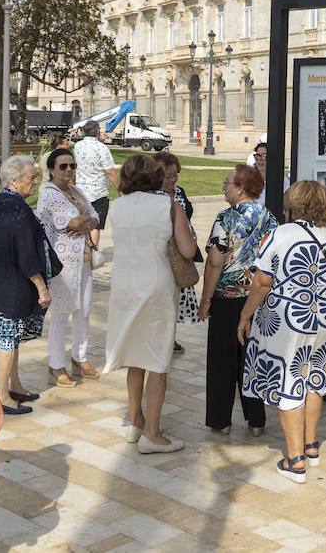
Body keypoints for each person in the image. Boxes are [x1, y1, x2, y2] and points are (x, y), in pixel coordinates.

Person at [238, 181, 326, 484]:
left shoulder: (280, 234)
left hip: (289, 320)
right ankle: (311, 446)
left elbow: (262, 282)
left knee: (288, 381)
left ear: (294, 204)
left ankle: (295, 459)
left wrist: (245, 315)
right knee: (314, 380)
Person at [104, 154, 198, 453]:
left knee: (135, 356)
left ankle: (135, 420)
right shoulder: (167, 206)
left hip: (123, 286)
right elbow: (188, 248)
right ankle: (153, 433)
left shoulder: (116, 207)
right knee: (158, 361)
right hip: (155, 285)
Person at [200, 164, 276, 437]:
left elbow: (214, 262)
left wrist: (206, 299)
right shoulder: (268, 216)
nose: (224, 184)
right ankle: (256, 420)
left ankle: (221, 420)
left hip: (228, 298)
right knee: (251, 358)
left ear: (241, 187)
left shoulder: (226, 218)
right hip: (257, 299)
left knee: (222, 360)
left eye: (228, 181)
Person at [0, 155, 51, 415]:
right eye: (32, 178)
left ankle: (15, 385)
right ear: (14, 180)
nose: (35, 183)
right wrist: (41, 287)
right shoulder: (16, 208)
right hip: (12, 286)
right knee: (7, 342)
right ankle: (2, 396)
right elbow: (25, 252)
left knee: (13, 338)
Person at [36, 148, 100, 387]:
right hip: (62, 264)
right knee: (62, 312)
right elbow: (73, 222)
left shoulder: (76, 191)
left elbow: (95, 217)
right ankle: (56, 365)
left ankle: (79, 357)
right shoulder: (49, 194)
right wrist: (84, 221)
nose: (69, 170)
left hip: (83, 260)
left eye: (72, 165)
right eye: (63, 166)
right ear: (52, 170)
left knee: (84, 309)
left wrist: (86, 222)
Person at [156, 151, 199, 350]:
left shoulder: (179, 192)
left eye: (175, 175)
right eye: (168, 176)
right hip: (163, 253)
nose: (172, 180)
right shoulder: (153, 196)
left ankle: (169, 338)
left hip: (181, 252)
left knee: (177, 296)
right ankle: (160, 338)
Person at [73, 120, 119, 251]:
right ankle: (93, 252)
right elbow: (110, 171)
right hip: (98, 191)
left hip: (81, 190)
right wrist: (119, 188)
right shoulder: (101, 148)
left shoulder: (78, 146)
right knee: (95, 225)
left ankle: (82, 250)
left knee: (83, 222)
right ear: (97, 131)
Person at [252, 141, 290, 209]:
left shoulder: (283, 181)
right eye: (257, 156)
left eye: (264, 156)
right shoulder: (248, 179)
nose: (260, 159)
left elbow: (287, 209)